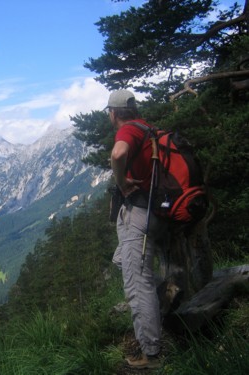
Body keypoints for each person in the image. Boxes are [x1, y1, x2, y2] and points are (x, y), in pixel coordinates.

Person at [107, 89, 163, 369]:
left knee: (137, 284)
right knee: (125, 262)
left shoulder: (127, 130)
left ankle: (152, 355)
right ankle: (159, 302)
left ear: (114, 113)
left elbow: (118, 154)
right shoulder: (149, 128)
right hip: (158, 211)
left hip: (139, 213)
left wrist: (121, 182)